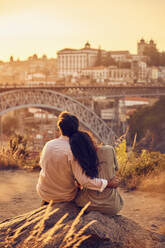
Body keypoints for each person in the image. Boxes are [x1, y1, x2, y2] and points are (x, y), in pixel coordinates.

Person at [36, 111, 119, 205]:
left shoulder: (48, 144)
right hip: (64, 197)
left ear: (60, 128)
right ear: (76, 128)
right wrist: (108, 183)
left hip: (43, 193)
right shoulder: (73, 150)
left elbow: (42, 165)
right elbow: (84, 181)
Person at [70, 130, 123, 216]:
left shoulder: (79, 159)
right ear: (91, 139)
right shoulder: (109, 149)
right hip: (112, 207)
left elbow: (80, 182)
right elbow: (116, 170)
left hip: (86, 205)